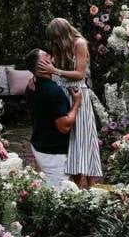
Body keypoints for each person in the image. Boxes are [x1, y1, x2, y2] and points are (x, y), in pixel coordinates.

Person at [37, 18, 103, 188]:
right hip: (62, 93)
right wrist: (35, 77)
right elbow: (48, 66)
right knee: (70, 141)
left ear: (63, 33)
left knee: (84, 138)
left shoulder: (79, 43)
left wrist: (55, 71)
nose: (55, 42)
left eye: (56, 38)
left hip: (77, 93)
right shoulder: (59, 45)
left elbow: (80, 74)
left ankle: (92, 186)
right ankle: (75, 185)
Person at [24, 48, 83, 187]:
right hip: (53, 152)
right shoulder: (52, 91)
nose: (50, 56)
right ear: (42, 64)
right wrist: (77, 103)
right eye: (46, 56)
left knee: (49, 186)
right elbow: (64, 126)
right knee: (58, 192)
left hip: (40, 144)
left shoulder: (32, 85)